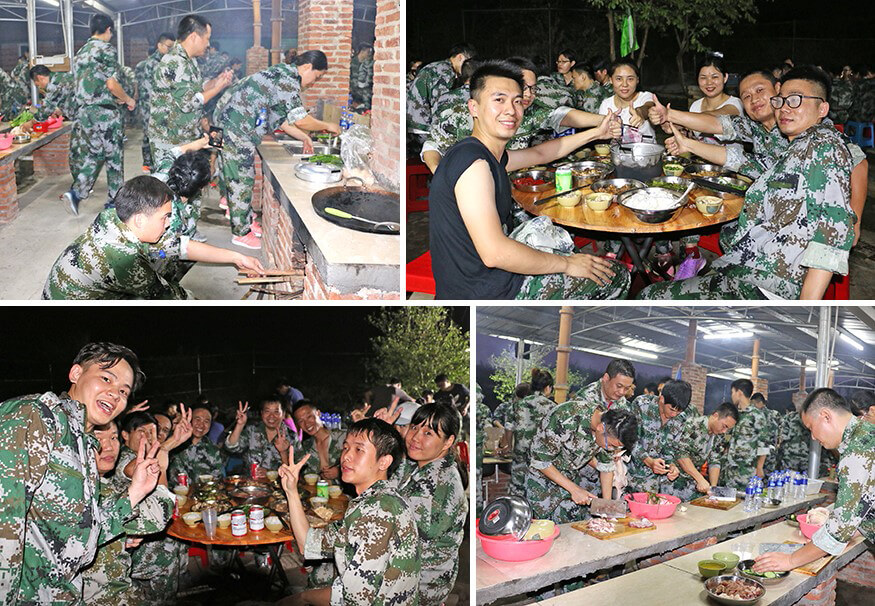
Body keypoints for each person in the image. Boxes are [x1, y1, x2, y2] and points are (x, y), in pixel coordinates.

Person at [641, 66, 857, 300]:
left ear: (822, 108)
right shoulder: (788, 143)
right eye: (746, 96)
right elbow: (743, 159)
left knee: (650, 297)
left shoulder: (822, 143)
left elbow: (832, 229)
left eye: (795, 100)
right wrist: (686, 142)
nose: (785, 107)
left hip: (771, 282)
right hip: (749, 266)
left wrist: (804, 310)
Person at [429, 60, 628, 300]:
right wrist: (566, 264)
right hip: (487, 291)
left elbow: (541, 153)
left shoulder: (483, 153)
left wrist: (597, 133)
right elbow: (495, 253)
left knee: (566, 247)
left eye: (517, 101)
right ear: (474, 107)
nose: (511, 110)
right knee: (615, 275)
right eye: (499, 100)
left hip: (480, 279)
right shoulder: (475, 166)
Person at [0, 342, 162, 604]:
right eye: (106, 378)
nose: (115, 394)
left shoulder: (84, 446)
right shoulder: (37, 416)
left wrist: (136, 491)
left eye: (123, 390)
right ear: (76, 373)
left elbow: (80, 538)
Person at [277, 419, 420, 605]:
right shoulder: (371, 501)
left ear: (384, 462)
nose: (346, 456)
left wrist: (302, 597)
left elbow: (356, 599)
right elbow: (308, 544)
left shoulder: (379, 511)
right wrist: (291, 491)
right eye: (345, 448)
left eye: (359, 449)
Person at [214, 50, 339, 249]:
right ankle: (240, 233)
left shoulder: (282, 74)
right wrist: (328, 125)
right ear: (307, 67)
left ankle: (243, 217)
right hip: (236, 127)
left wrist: (304, 137)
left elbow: (282, 120)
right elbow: (301, 120)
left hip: (231, 123)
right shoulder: (288, 79)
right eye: (317, 77)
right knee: (241, 178)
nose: (314, 83)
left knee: (241, 175)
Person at [754, 388, 875, 573]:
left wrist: (790, 560)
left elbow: (840, 529)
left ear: (826, 416)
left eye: (811, 427)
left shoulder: (857, 452)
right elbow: (865, 506)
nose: (813, 437)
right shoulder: (866, 434)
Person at [423, 56, 609, 173]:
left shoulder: (527, 112)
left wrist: (602, 123)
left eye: (533, 88)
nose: (528, 94)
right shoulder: (461, 115)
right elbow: (432, 145)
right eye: (523, 87)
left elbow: (558, 119)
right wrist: (440, 173)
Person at [149, 14, 234, 239]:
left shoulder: (189, 61)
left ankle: (188, 230)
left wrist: (217, 81)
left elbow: (197, 88)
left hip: (186, 134)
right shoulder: (175, 62)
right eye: (207, 38)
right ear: (195, 36)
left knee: (191, 184)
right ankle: (171, 234)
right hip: (169, 137)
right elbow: (189, 102)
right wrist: (218, 89)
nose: (208, 43)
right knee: (170, 187)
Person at [80, 420, 176, 605]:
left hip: (111, 581)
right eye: (98, 438)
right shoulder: (82, 488)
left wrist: (120, 539)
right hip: (101, 595)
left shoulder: (99, 482)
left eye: (113, 437)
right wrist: (161, 470)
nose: (108, 446)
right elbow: (158, 514)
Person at [43, 176, 183, 299]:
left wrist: (182, 247)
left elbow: (158, 246)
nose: (168, 223)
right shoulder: (123, 258)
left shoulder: (112, 218)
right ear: (140, 220)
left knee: (163, 257)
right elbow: (167, 295)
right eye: (165, 217)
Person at [111, 408, 192, 605]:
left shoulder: (144, 455)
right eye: (142, 431)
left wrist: (169, 444)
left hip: (142, 532)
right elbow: (134, 468)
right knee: (167, 557)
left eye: (152, 432)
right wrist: (165, 448)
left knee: (178, 540)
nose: (148, 437)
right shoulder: (122, 457)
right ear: (125, 435)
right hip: (128, 544)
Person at [149, 147, 266, 280]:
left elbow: (172, 152)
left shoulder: (167, 170)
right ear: (201, 187)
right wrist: (237, 257)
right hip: (150, 258)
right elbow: (182, 248)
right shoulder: (171, 219)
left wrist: (204, 142)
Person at [60, 14, 136, 216]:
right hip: (104, 113)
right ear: (109, 29)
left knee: (95, 154)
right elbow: (111, 84)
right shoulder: (106, 49)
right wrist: (128, 99)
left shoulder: (81, 52)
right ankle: (115, 201)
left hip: (85, 113)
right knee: (113, 157)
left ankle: (76, 193)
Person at [393, 403, 467, 606]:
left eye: (428, 433)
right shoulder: (418, 466)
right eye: (414, 427)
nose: (415, 437)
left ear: (448, 441)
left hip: (420, 586)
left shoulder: (437, 485)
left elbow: (396, 536)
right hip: (410, 573)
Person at [526, 403, 638, 523]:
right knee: (544, 527)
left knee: (569, 525)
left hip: (570, 478)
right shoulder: (565, 418)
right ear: (601, 428)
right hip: (543, 481)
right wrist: (574, 490)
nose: (611, 449)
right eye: (611, 445)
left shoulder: (610, 428)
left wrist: (607, 507)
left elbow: (606, 467)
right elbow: (540, 461)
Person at [576, 359, 637, 496]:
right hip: (582, 474)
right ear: (606, 378)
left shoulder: (622, 404)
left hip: (607, 473)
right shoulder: (584, 401)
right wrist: (604, 465)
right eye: (619, 386)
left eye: (627, 388)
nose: (622, 392)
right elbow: (578, 444)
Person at [662, 402, 740, 501]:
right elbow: (681, 455)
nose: (724, 431)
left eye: (728, 429)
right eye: (724, 426)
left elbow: (715, 461)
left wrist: (713, 490)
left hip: (692, 483)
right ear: (715, 416)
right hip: (673, 481)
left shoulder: (719, 435)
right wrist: (700, 479)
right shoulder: (693, 425)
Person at [626, 379, 692, 494]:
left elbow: (670, 448)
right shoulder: (642, 405)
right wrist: (649, 461)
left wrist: (672, 465)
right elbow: (630, 439)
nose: (674, 415)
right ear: (661, 399)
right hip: (630, 474)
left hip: (655, 481)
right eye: (671, 409)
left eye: (678, 412)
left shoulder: (681, 418)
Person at [504, 368, 557, 495]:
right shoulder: (552, 407)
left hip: (520, 454)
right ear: (548, 388)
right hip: (541, 458)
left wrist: (509, 446)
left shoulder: (518, 405)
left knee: (517, 490)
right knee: (539, 492)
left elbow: (509, 428)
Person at [710, 379, 770, 489]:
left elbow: (764, 443)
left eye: (732, 392)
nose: (732, 395)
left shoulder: (756, 415)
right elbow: (727, 437)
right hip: (728, 469)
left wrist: (759, 467)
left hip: (745, 470)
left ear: (739, 392)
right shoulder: (735, 415)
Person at [407, 43, 477, 132]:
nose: (469, 66)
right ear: (460, 57)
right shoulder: (445, 71)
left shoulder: (439, 67)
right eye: (468, 62)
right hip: (423, 126)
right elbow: (441, 104)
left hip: (415, 121)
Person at [135, 32, 176, 171]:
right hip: (151, 107)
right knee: (151, 135)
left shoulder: (169, 61)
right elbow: (149, 90)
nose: (171, 49)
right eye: (168, 46)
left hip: (164, 107)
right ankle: (150, 163)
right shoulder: (152, 64)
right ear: (160, 45)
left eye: (173, 47)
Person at [225, 397, 296, 472]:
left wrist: (270, 473)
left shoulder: (292, 436)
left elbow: (295, 469)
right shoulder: (252, 431)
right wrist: (240, 425)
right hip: (249, 478)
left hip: (279, 479)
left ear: (283, 414)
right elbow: (231, 447)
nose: (271, 416)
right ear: (261, 413)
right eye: (267, 411)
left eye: (276, 412)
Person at [598, 59, 656, 141]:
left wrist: (640, 112)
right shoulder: (606, 105)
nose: (624, 84)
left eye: (630, 79)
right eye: (619, 79)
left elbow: (648, 107)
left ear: (637, 80)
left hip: (647, 149)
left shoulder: (646, 97)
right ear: (611, 80)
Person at [169, 404, 227, 480]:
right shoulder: (173, 443)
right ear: (189, 420)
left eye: (206, 421)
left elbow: (217, 478)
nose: (201, 425)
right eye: (197, 419)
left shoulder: (213, 450)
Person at [292, 400, 345, 479]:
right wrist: (283, 451)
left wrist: (341, 471)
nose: (307, 424)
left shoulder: (343, 437)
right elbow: (296, 474)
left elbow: (360, 464)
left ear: (318, 413)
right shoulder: (305, 447)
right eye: (301, 421)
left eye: (309, 417)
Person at [349, 43, 374, 110]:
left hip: (363, 90)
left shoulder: (367, 64)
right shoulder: (352, 63)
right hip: (353, 91)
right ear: (362, 51)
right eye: (367, 52)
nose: (369, 54)